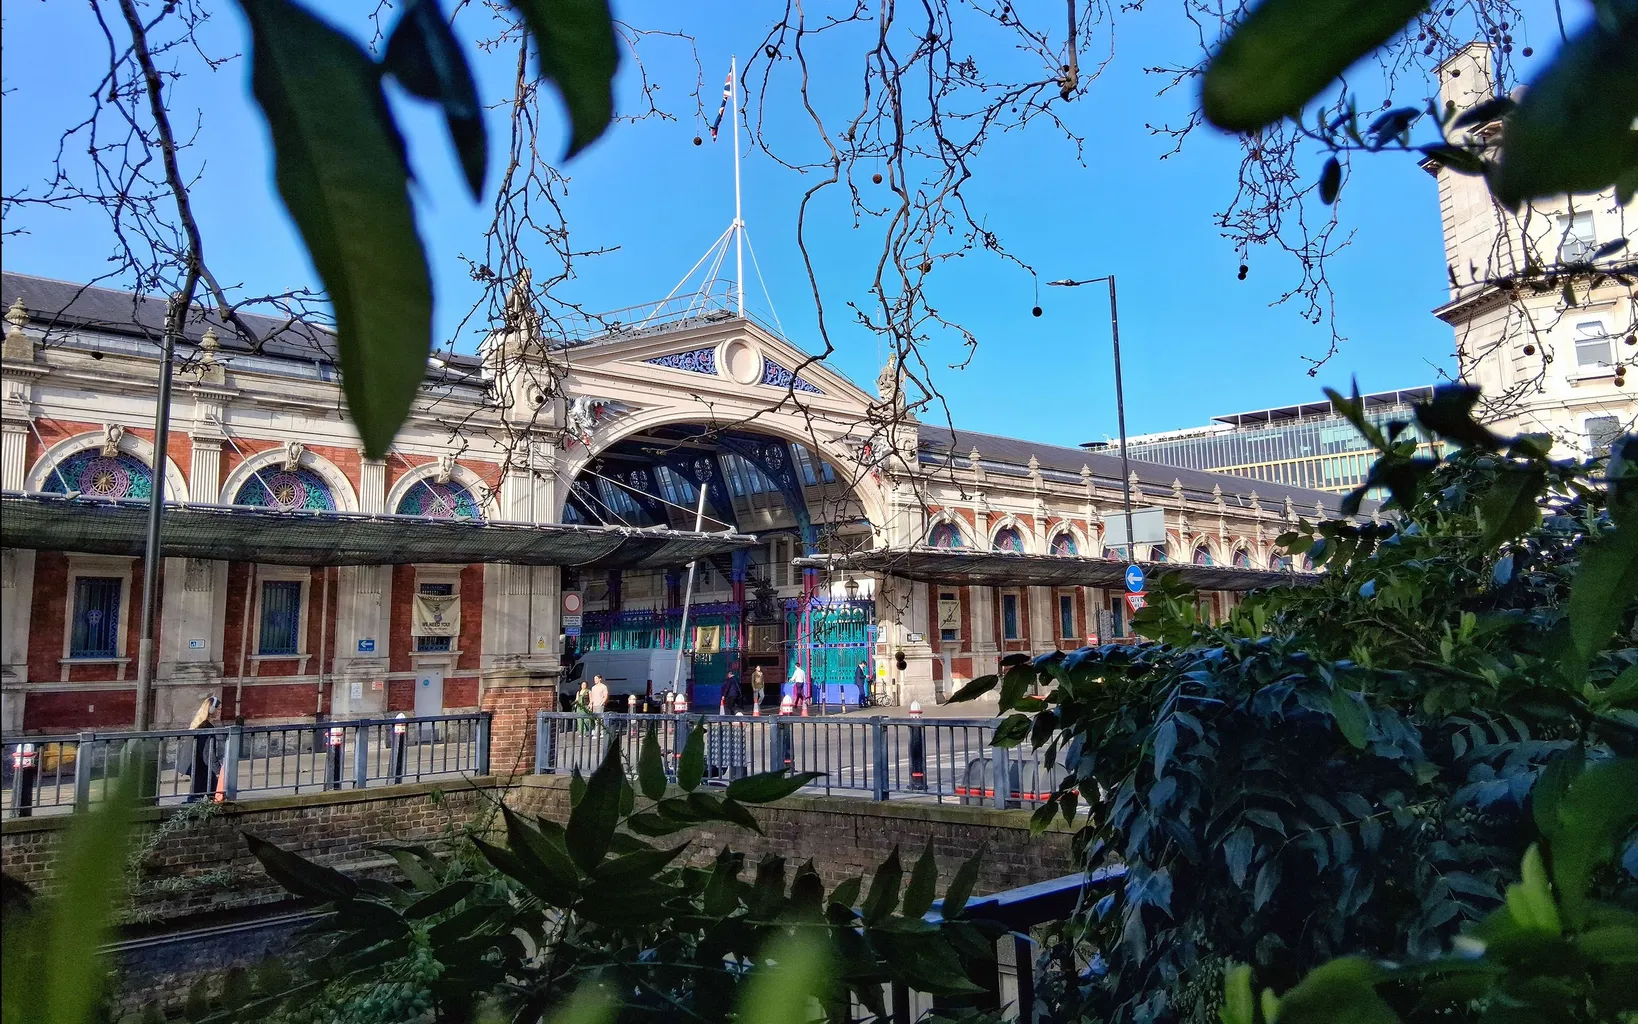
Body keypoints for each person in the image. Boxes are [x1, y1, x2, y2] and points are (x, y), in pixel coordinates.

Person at [184, 694, 223, 803]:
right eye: (218, 709)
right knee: (207, 794)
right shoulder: (206, 727)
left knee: (200, 794)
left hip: (198, 765)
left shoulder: (200, 724)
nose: (220, 712)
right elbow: (208, 752)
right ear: (211, 710)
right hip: (203, 766)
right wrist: (218, 769)